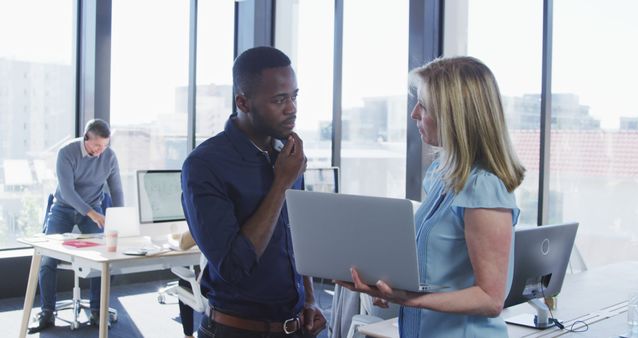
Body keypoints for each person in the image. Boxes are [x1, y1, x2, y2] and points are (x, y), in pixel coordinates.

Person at [337, 56, 525, 337]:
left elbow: (490, 299)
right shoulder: (443, 176)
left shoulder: (484, 188)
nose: (414, 113)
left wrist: (407, 299)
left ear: (454, 115)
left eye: (423, 105)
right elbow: (439, 274)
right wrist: (393, 289)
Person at [181, 46, 326, 337]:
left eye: (294, 96)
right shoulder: (204, 165)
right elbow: (234, 266)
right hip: (237, 330)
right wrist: (281, 184)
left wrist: (309, 297)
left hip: (298, 328)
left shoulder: (287, 155)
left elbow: (297, 234)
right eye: (279, 99)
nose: (292, 108)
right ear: (243, 102)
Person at [28, 119, 124, 334]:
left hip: (93, 207)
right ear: (86, 138)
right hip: (63, 206)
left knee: (103, 258)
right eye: (97, 146)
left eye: (105, 146)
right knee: (47, 259)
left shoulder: (109, 156)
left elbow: (116, 189)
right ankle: (47, 312)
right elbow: (68, 191)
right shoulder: (67, 152)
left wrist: (120, 218)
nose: (101, 151)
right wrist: (92, 214)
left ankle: (98, 310)